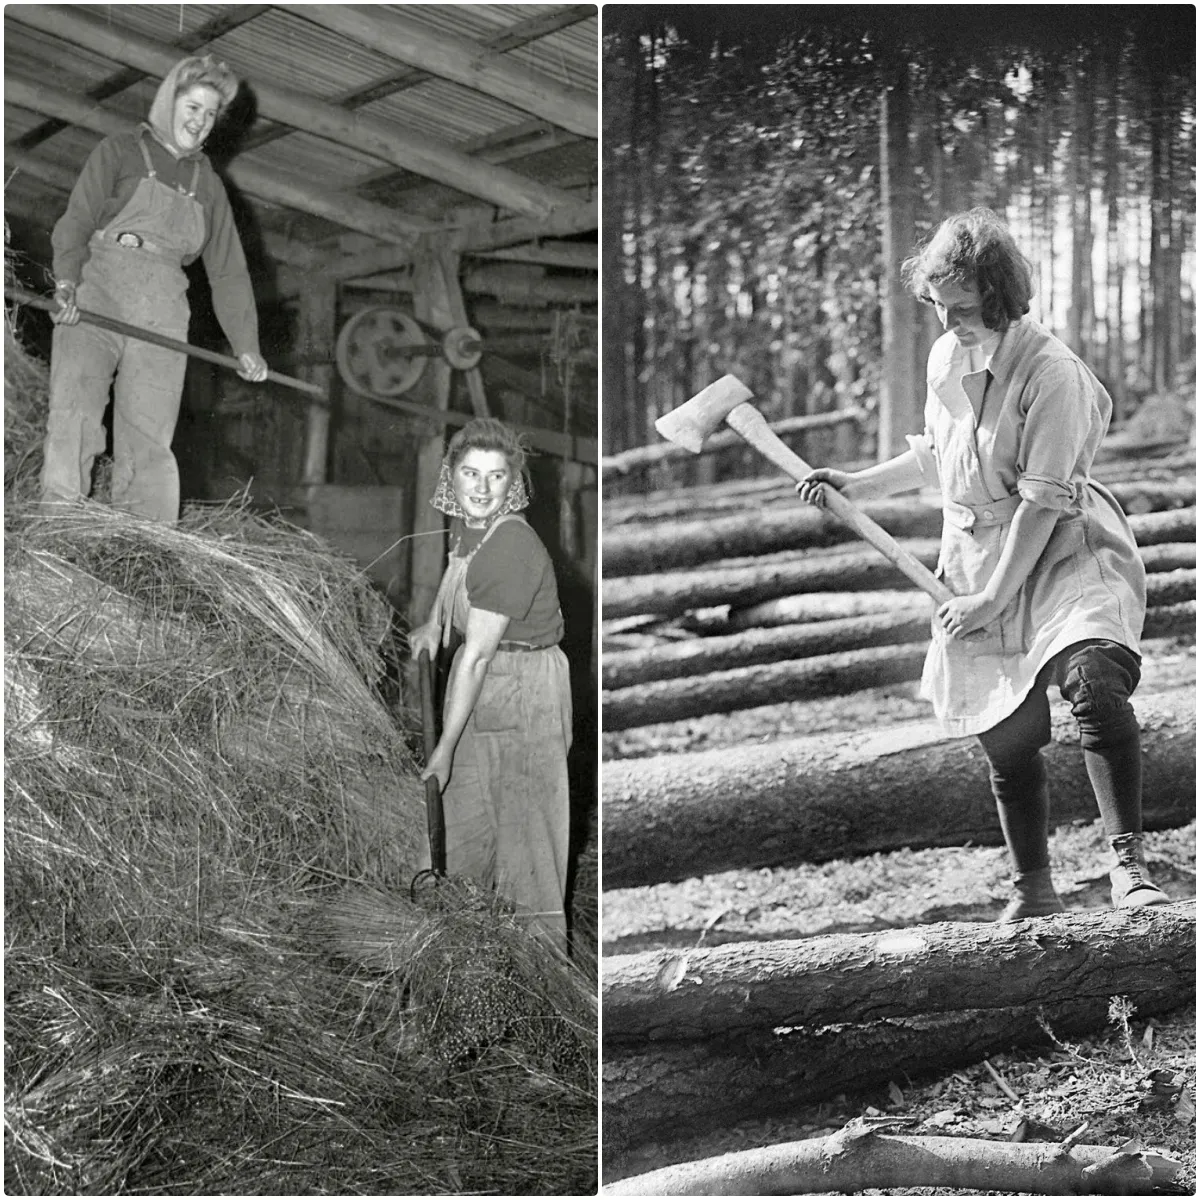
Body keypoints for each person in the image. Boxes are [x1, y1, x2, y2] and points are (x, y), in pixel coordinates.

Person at [798, 207, 1169, 921]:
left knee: (1092, 678)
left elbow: (1039, 503)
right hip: (976, 555)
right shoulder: (950, 357)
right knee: (1004, 726)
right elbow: (942, 454)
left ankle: (1128, 868)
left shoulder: (1052, 374)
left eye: (963, 309)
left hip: (1062, 547)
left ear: (1000, 296)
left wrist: (995, 601)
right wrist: (858, 485)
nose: (948, 324)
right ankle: (1032, 888)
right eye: (939, 308)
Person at [43, 54, 268, 523]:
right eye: (192, 108)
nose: (200, 123)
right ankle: (59, 531)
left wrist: (247, 345)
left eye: (210, 115)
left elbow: (228, 272)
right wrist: (65, 284)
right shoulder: (119, 151)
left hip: (163, 308)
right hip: (97, 294)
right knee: (75, 414)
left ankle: (145, 545)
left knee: (149, 436)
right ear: (170, 101)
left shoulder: (208, 185)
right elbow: (76, 223)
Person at [408, 418, 573, 953]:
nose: (481, 489)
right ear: (450, 478)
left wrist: (444, 750)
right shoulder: (472, 529)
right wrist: (435, 623)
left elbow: (475, 657)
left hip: (523, 690)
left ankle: (546, 993)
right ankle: (463, 964)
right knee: (457, 835)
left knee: (528, 856)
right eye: (470, 474)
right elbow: (457, 571)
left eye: (496, 477)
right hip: (484, 683)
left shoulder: (509, 547)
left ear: (513, 483)